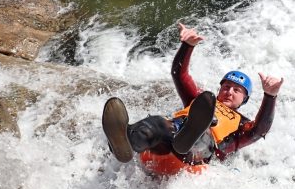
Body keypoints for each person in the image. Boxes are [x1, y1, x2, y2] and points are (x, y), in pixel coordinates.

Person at [101, 22, 284, 175]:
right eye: (226, 86)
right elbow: (179, 74)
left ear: (244, 99)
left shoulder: (242, 125)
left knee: (203, 133)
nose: (229, 91)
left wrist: (270, 96)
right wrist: (187, 46)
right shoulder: (200, 101)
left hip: (195, 159)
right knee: (156, 124)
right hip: (165, 148)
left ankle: (188, 137)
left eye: (237, 90)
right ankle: (127, 144)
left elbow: (260, 130)